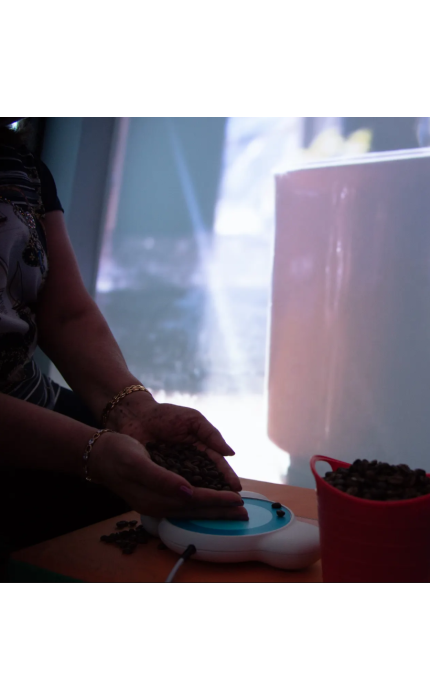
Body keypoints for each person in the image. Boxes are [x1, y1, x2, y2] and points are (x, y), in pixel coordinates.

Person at [0, 118, 248, 571]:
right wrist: (93, 453)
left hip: (32, 400)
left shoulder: (21, 167)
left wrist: (133, 410)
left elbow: (66, 314)